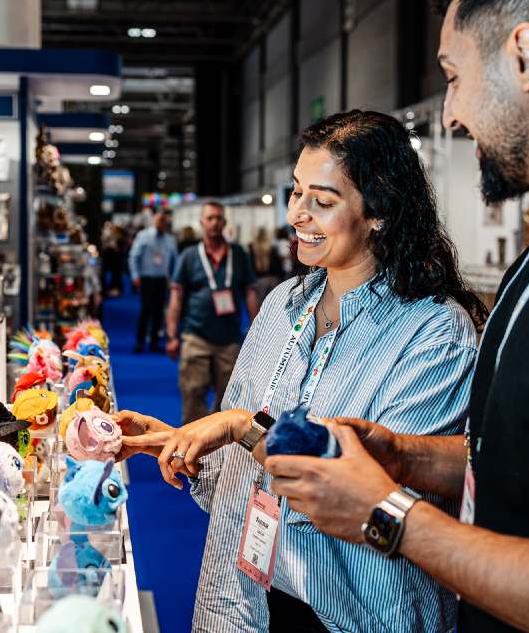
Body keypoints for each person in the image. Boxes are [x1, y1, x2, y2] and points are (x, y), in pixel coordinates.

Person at [260, 0, 529, 632]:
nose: (450, 113)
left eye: (454, 76)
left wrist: (388, 514)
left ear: (524, 56)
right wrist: (406, 456)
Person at [119, 110, 489, 632]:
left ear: (378, 211)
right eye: (296, 192)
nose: (297, 214)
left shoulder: (432, 334)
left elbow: (362, 497)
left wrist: (243, 428)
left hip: (354, 612)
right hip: (249, 602)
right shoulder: (282, 306)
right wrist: (180, 443)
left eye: (323, 200)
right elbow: (237, 477)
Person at [166, 202, 257, 425]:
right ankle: (191, 452)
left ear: (224, 222)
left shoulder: (239, 254)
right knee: (192, 394)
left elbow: (250, 293)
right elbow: (176, 297)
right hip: (195, 337)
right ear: (202, 223)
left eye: (218, 218)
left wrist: (258, 331)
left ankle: (220, 453)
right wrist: (171, 335)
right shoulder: (188, 256)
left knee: (229, 401)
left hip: (230, 340)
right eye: (210, 218)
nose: (214, 223)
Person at [128, 209, 177, 353]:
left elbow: (175, 260)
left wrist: (173, 278)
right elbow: (133, 256)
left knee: (158, 311)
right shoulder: (143, 236)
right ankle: (139, 342)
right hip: (146, 278)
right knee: (145, 310)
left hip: (162, 279)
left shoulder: (170, 239)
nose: (162, 222)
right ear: (154, 219)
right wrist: (135, 275)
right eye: (160, 219)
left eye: (164, 220)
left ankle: (154, 342)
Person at [247, 227, 286, 315]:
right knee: (274, 311)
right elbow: (278, 267)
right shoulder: (271, 248)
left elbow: (250, 267)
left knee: (260, 312)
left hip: (258, 283)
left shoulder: (252, 248)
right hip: (273, 282)